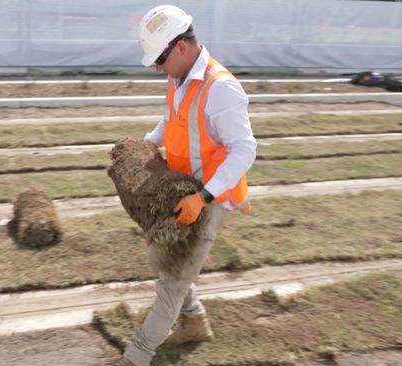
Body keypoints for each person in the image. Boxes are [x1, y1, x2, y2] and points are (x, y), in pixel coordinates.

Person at [110, 5, 257, 366]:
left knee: (171, 279)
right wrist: (142, 146)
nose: (158, 67)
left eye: (160, 58)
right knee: (167, 261)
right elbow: (171, 121)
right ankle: (194, 322)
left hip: (209, 197)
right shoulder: (177, 78)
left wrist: (203, 197)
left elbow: (245, 150)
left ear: (180, 47)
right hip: (180, 191)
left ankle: (136, 357)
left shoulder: (221, 88)